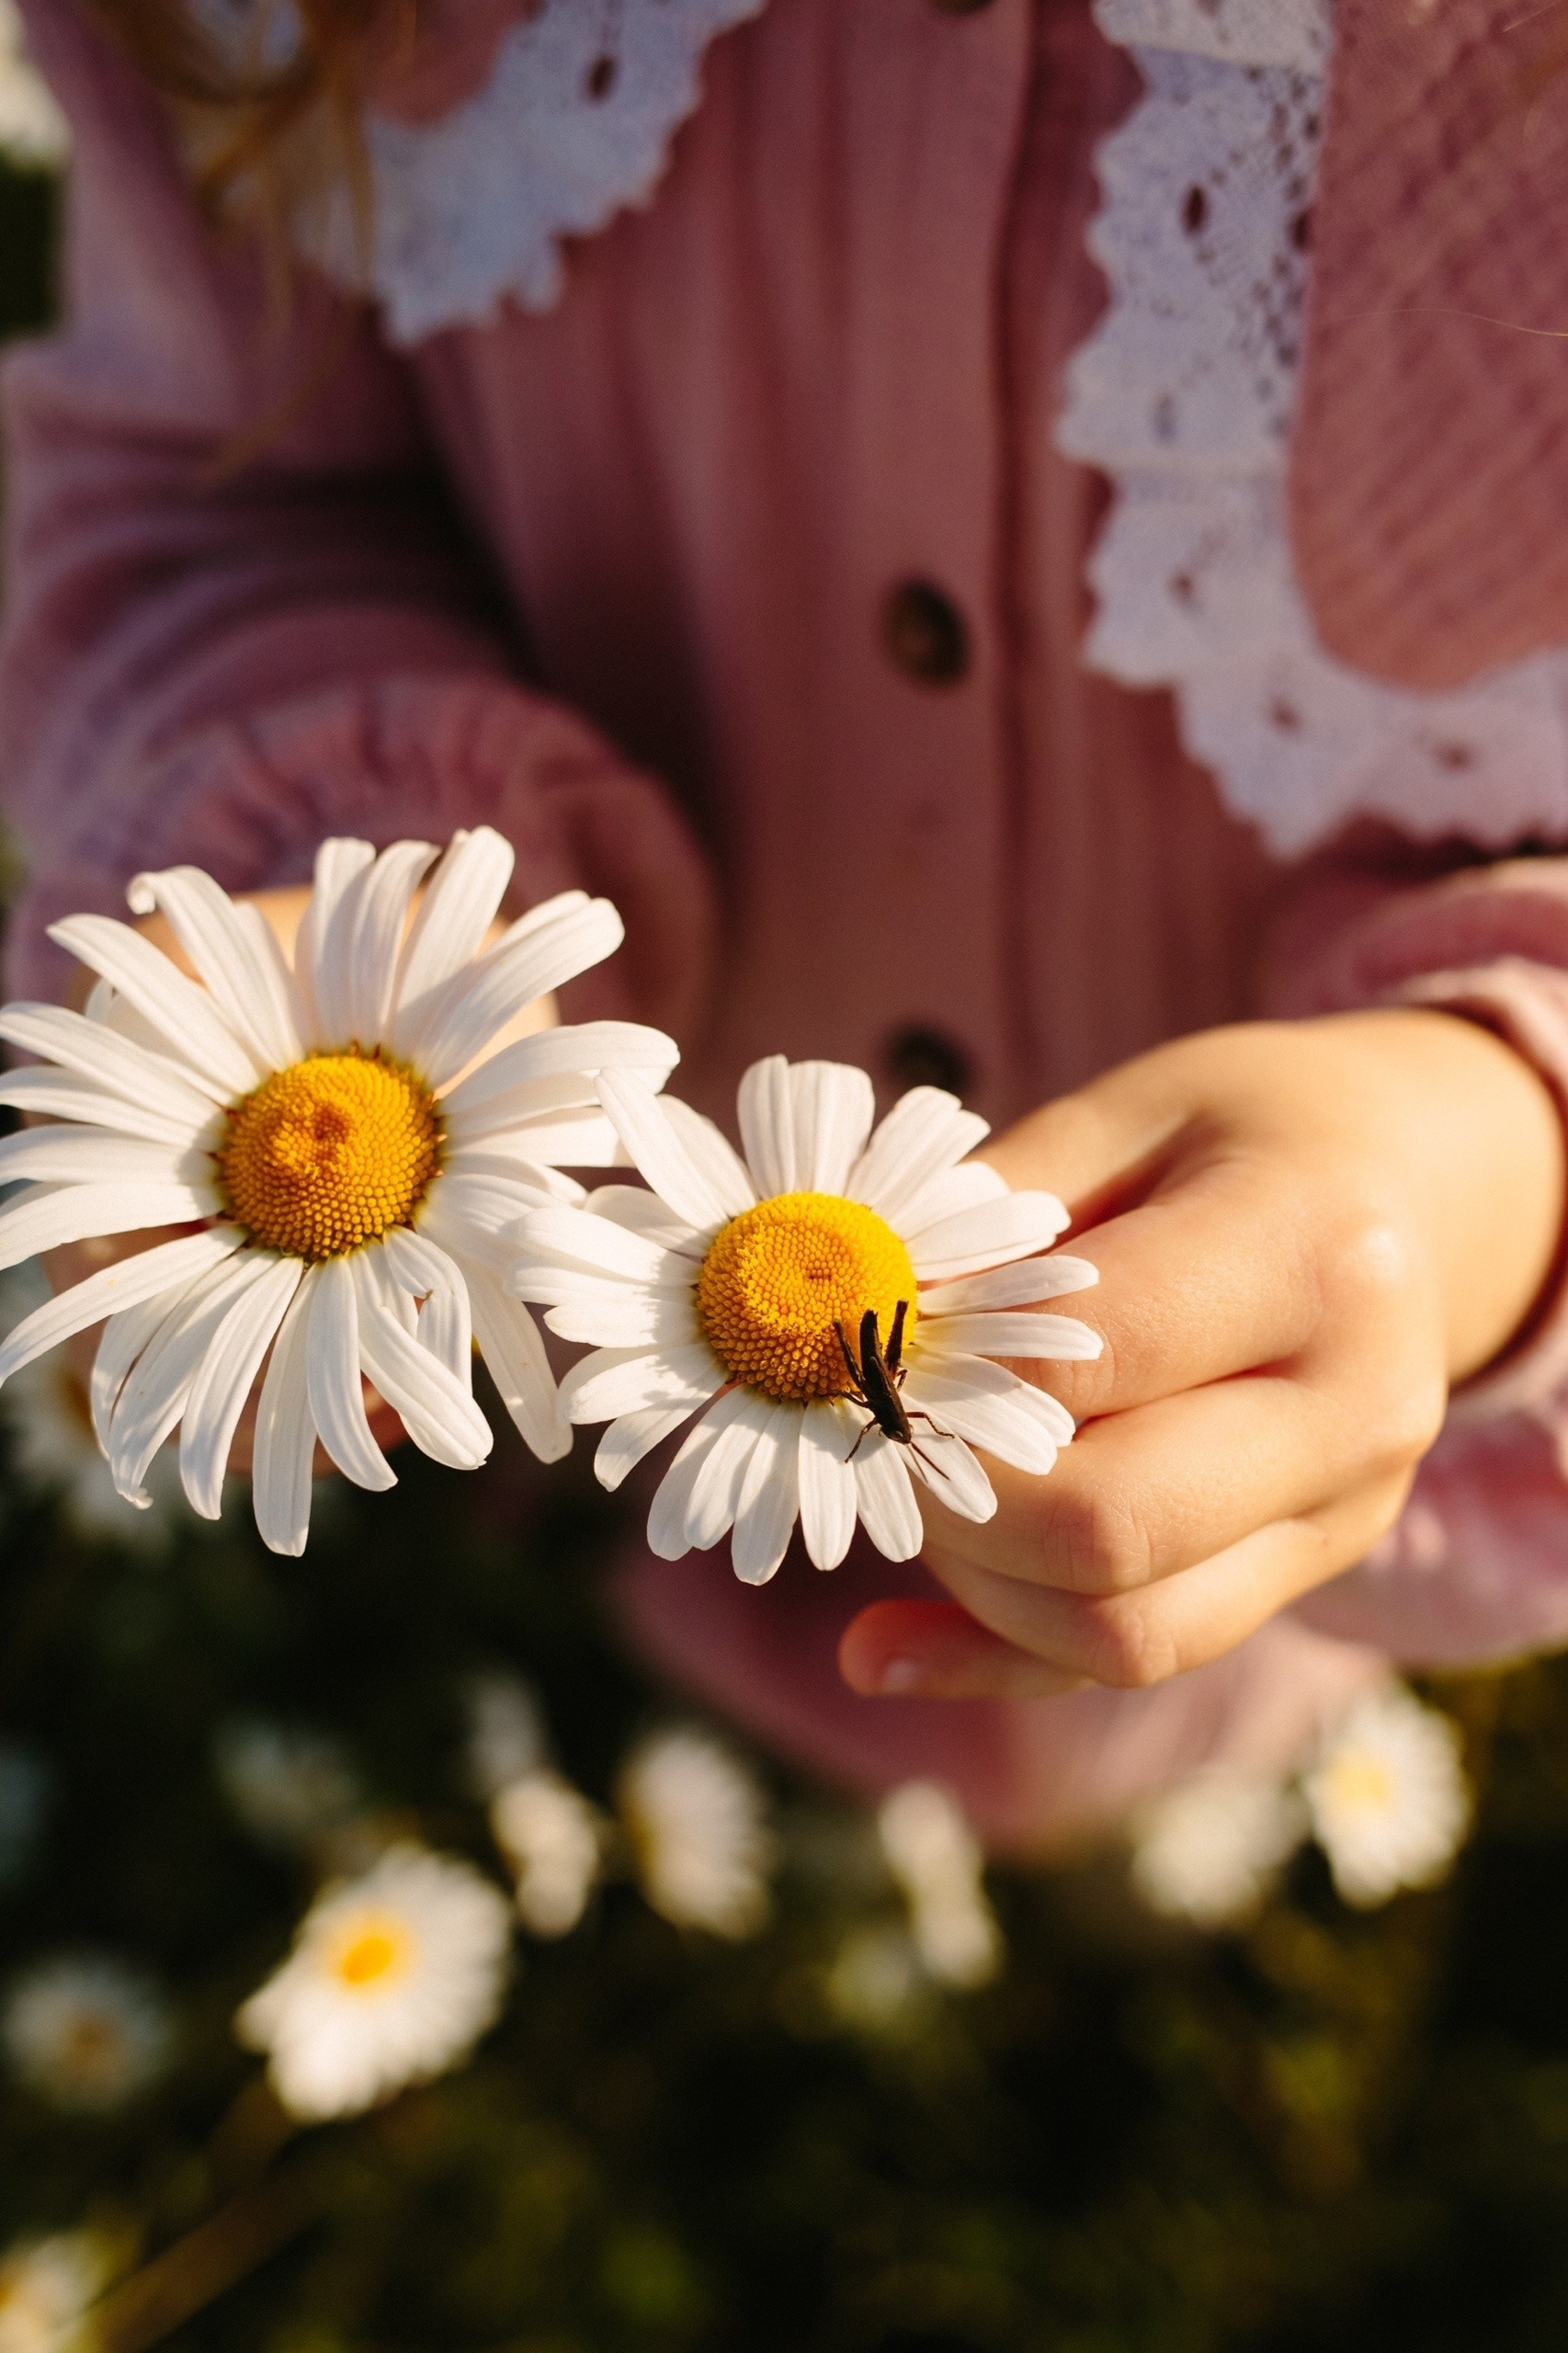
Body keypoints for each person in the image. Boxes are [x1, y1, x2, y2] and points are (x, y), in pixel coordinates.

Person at [6, 0, 1568, 1851]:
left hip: (1308, 1514)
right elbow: (219, 495)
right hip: (577, 1413)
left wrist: (1478, 1158)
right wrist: (367, 892)